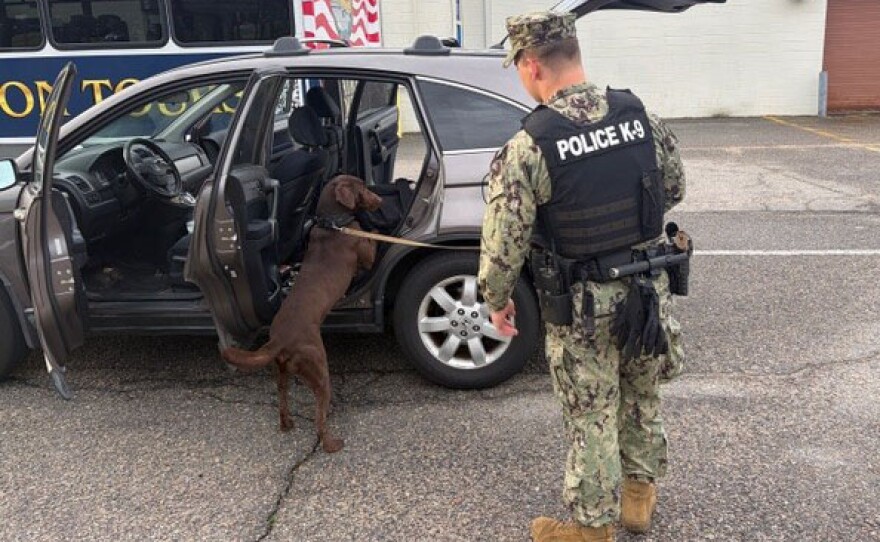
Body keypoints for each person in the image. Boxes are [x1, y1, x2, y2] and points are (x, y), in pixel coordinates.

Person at [477, 11, 687, 542]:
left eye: (518, 69)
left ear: (531, 65)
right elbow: (674, 189)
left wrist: (495, 299)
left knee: (591, 414)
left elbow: (504, 245)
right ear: (574, 53)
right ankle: (638, 500)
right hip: (649, 290)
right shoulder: (639, 117)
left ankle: (593, 530)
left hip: (586, 306)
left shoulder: (530, 146)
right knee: (641, 393)